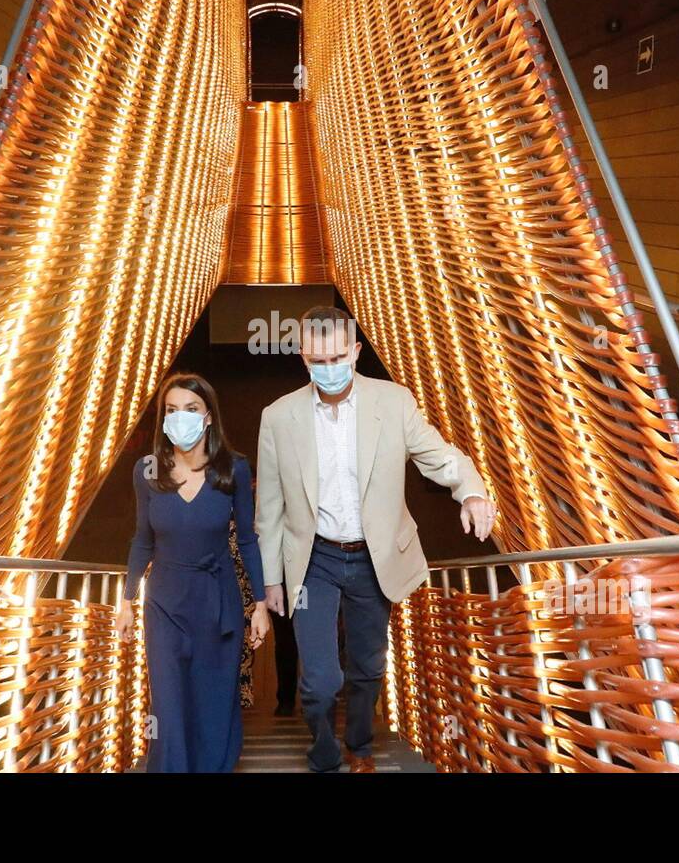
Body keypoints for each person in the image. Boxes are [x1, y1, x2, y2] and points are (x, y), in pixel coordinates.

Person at [256, 306, 496, 772]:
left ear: (356, 352)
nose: (328, 368)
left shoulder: (393, 401)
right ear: (303, 357)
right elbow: (269, 508)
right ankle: (324, 750)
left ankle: (360, 745)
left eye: (337, 357)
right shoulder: (278, 416)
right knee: (321, 680)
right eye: (316, 360)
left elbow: (439, 456)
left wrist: (472, 492)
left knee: (367, 666)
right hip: (313, 561)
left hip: (373, 557)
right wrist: (270, 583)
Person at [117, 372, 270, 772]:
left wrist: (260, 605)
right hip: (165, 605)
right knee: (168, 700)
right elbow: (142, 540)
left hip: (218, 603)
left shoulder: (233, 470)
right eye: (171, 410)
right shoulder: (146, 471)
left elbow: (249, 540)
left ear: (207, 417)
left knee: (213, 697)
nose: (179, 417)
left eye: (190, 409)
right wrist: (127, 600)